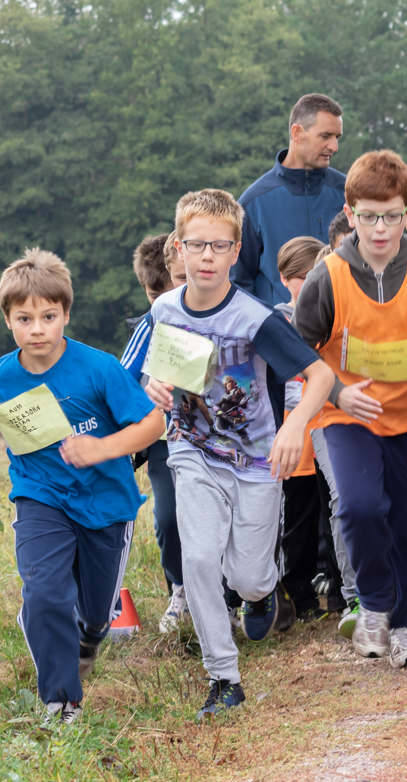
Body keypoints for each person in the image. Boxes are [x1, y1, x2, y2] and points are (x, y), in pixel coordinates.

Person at [144, 189, 333, 718]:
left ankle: (261, 590)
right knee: (200, 559)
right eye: (197, 245)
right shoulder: (163, 309)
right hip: (192, 448)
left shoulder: (255, 319)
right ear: (178, 249)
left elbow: (320, 376)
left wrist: (295, 424)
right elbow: (149, 370)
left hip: (255, 460)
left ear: (236, 250)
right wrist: (153, 384)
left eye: (219, 246)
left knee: (247, 574)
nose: (207, 256)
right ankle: (223, 678)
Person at [294, 150, 407, 664]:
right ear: (351, 214)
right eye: (369, 215)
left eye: (391, 215)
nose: (381, 227)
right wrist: (339, 392)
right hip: (348, 414)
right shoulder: (328, 276)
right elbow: (297, 352)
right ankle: (372, 604)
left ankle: (400, 623)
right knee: (360, 505)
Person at [0, 249, 164, 725]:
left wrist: (100, 449)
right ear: (9, 320)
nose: (37, 329)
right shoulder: (4, 378)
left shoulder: (98, 369)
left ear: (65, 315)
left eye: (48, 317)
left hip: (105, 505)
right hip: (41, 497)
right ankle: (61, 701)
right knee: (45, 593)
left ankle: (90, 632)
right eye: (24, 318)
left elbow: (153, 424)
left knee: (93, 612)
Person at [122, 234, 187, 632]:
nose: (163, 299)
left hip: (217, 438)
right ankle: (179, 590)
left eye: (174, 285)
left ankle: (230, 595)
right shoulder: (148, 326)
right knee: (168, 519)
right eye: (154, 293)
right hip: (165, 440)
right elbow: (122, 382)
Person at [233, 93, 346, 305]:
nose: (334, 147)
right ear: (297, 133)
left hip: (342, 330)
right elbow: (238, 282)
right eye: (326, 136)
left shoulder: (349, 195)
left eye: (337, 138)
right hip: (277, 331)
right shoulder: (254, 203)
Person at [275, 235, 330, 622]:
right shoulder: (276, 322)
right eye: (302, 277)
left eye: (316, 276)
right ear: (285, 280)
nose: (309, 284)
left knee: (323, 516)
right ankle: (294, 591)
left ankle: (322, 584)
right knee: (293, 519)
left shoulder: (330, 316)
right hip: (290, 440)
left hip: (326, 431)